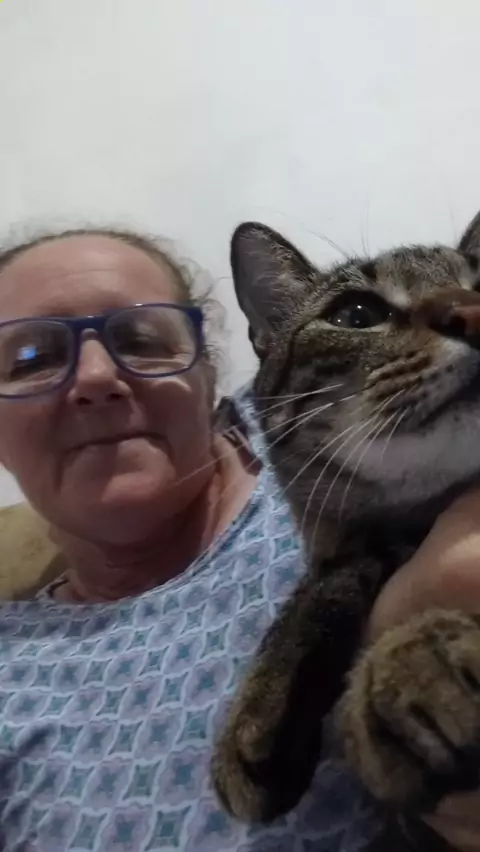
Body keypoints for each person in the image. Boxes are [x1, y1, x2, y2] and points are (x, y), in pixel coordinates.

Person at [0, 225, 475, 852]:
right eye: (33, 358)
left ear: (208, 374)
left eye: (140, 340)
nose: (95, 377)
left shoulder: (332, 451)